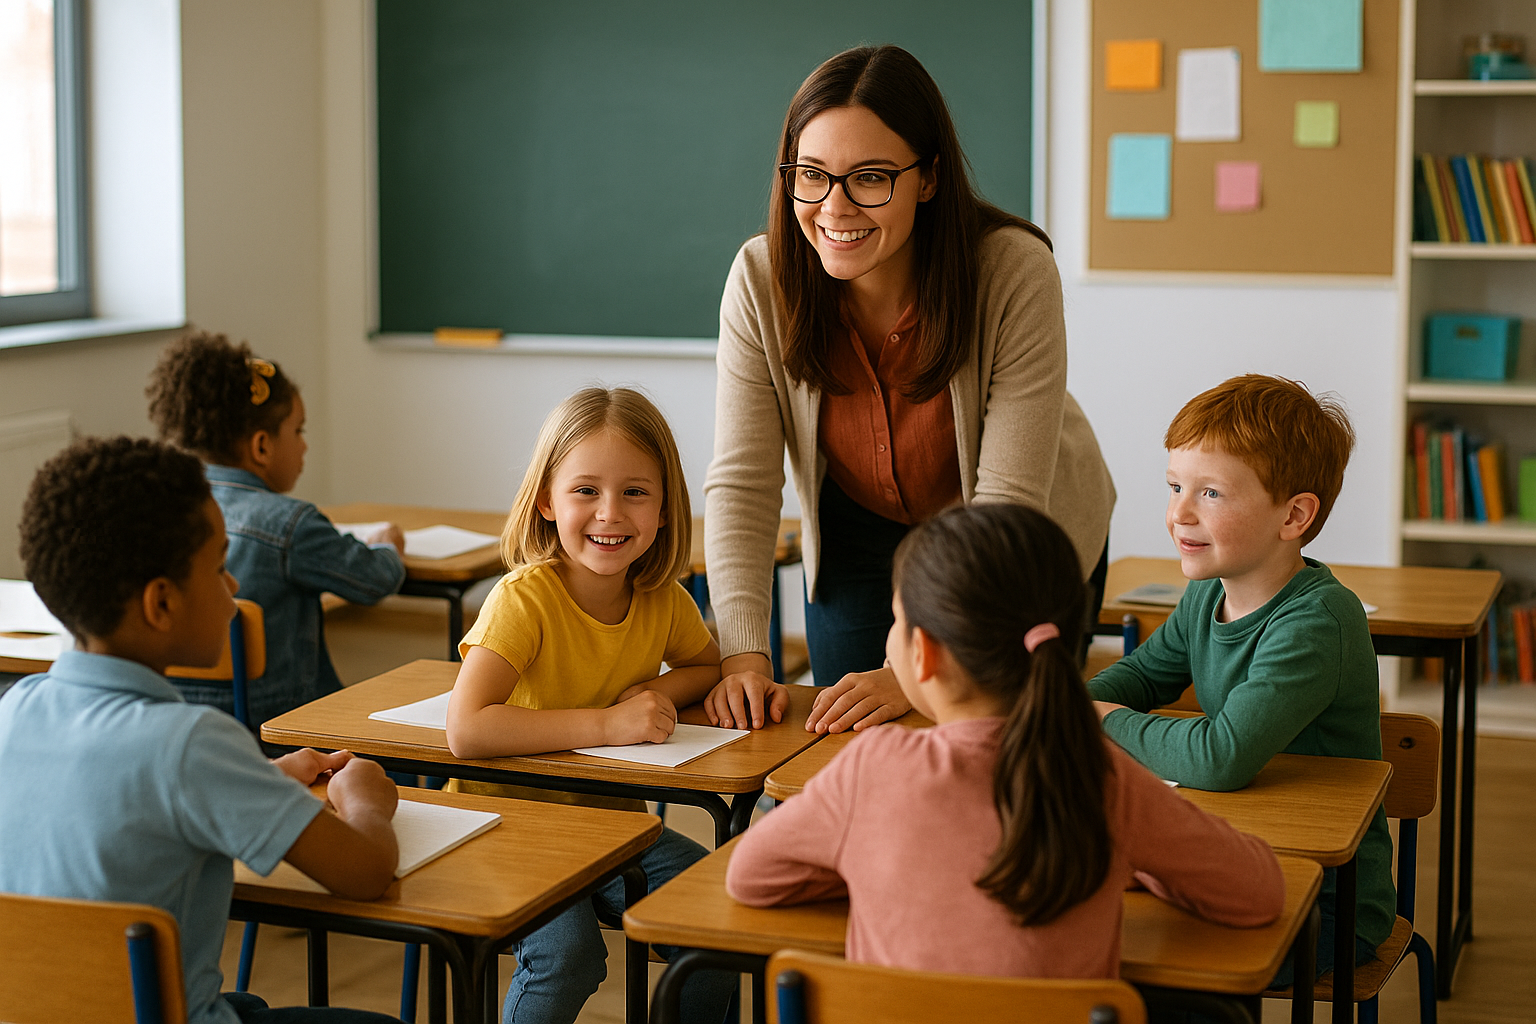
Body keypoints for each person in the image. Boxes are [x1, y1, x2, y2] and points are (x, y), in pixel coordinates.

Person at [701, 44, 1115, 738]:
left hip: (1013, 535)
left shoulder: (1013, 271)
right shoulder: (760, 277)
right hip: (858, 530)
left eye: (869, 178)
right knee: (843, 746)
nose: (834, 206)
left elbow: (1006, 504)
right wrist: (743, 654)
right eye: (811, 175)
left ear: (929, 178)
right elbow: (743, 481)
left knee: (996, 746)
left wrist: (911, 678)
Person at [725, 503, 1281, 977]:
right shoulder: (1100, 775)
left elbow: (750, 877)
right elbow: (1259, 893)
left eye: (895, 621)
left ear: (924, 653)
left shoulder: (872, 768)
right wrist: (1146, 868)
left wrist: (877, 868)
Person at [0, 436, 402, 1024]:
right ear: (161, 604)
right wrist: (365, 798)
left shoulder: (14, 710)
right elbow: (365, 873)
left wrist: (264, 779)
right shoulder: (190, 743)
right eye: (219, 567)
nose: (234, 587)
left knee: (250, 1003)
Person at [1087, 374, 1395, 984]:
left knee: (1140, 968)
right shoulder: (1205, 595)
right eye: (1175, 486)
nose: (1179, 512)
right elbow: (1140, 677)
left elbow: (1221, 757)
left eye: (1210, 493)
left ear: (1294, 515)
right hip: (1236, 859)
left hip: (1326, 899)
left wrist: (1101, 721)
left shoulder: (1317, 621)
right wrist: (1060, 703)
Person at [446, 387, 733, 1024]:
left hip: (606, 827)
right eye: (585, 491)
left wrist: (660, 693)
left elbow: (705, 666)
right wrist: (608, 723)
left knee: (717, 925)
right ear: (547, 499)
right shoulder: (524, 599)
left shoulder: (661, 596)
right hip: (502, 824)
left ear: (664, 509)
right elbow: (466, 729)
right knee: (569, 954)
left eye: (635, 492)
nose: (610, 513)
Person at [146, 331, 406, 729]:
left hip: (185, 719)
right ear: (262, 446)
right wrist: (387, 546)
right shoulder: (292, 524)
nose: (304, 447)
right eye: (299, 431)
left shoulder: (161, 509)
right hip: (287, 725)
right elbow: (374, 581)